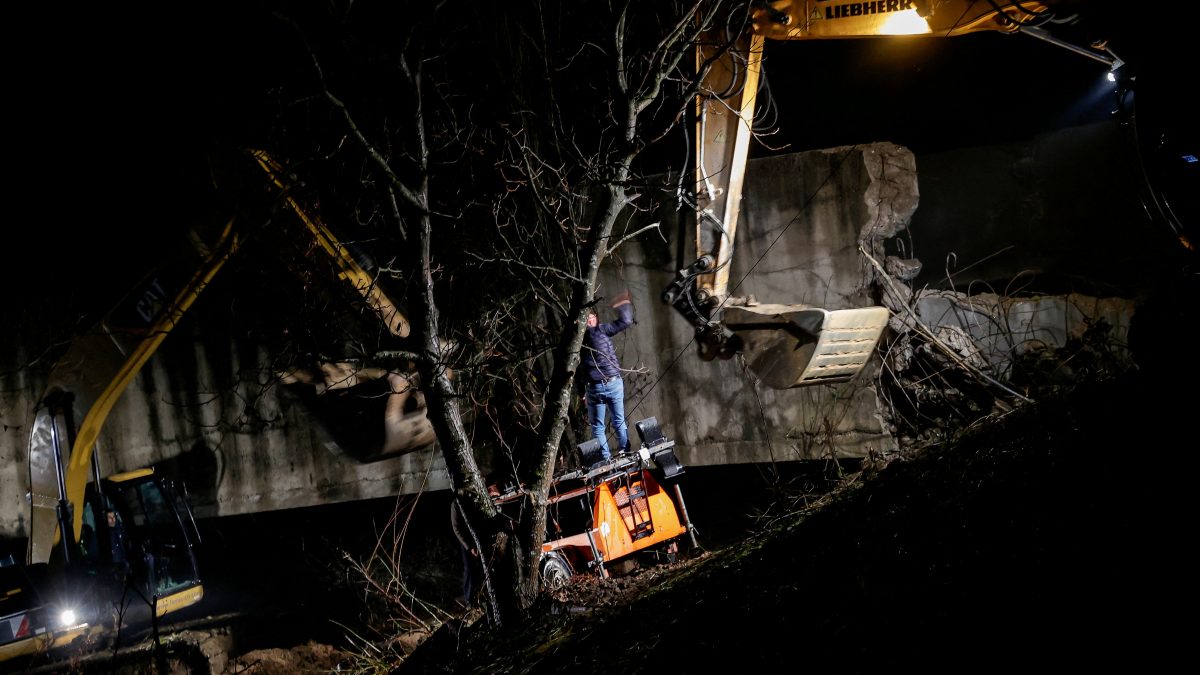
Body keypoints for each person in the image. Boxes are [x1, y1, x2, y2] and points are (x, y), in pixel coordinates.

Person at [581, 289, 635, 462]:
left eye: (591, 317)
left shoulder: (578, 342)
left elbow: (579, 370)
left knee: (598, 427)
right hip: (612, 382)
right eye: (589, 318)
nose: (591, 320)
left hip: (594, 387)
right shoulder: (601, 330)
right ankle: (625, 451)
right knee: (618, 420)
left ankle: (606, 459)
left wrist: (582, 392)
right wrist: (623, 304)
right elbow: (626, 320)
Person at [450, 497, 482, 608]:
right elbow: (456, 528)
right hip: (467, 542)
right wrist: (469, 547)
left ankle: (480, 596)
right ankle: (469, 599)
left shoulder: (472, 500)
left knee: (480, 569)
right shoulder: (456, 504)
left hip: (478, 538)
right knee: (469, 569)